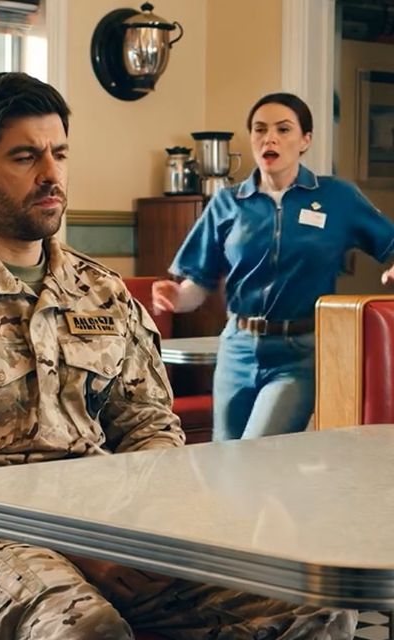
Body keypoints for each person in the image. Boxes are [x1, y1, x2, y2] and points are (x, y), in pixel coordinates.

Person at [0, 74, 357, 640]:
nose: (52, 174)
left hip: (116, 527)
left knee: (315, 606)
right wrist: (74, 543)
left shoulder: (102, 292)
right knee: (87, 631)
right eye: (26, 157)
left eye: (60, 154)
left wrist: (144, 530)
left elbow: (149, 428)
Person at [153, 92, 394, 442]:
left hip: (301, 353)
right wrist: (176, 297)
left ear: (305, 140)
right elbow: (198, 285)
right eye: (260, 129)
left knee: (256, 449)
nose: (270, 138)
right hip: (236, 348)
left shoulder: (337, 197)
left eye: (283, 129)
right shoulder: (227, 203)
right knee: (227, 460)